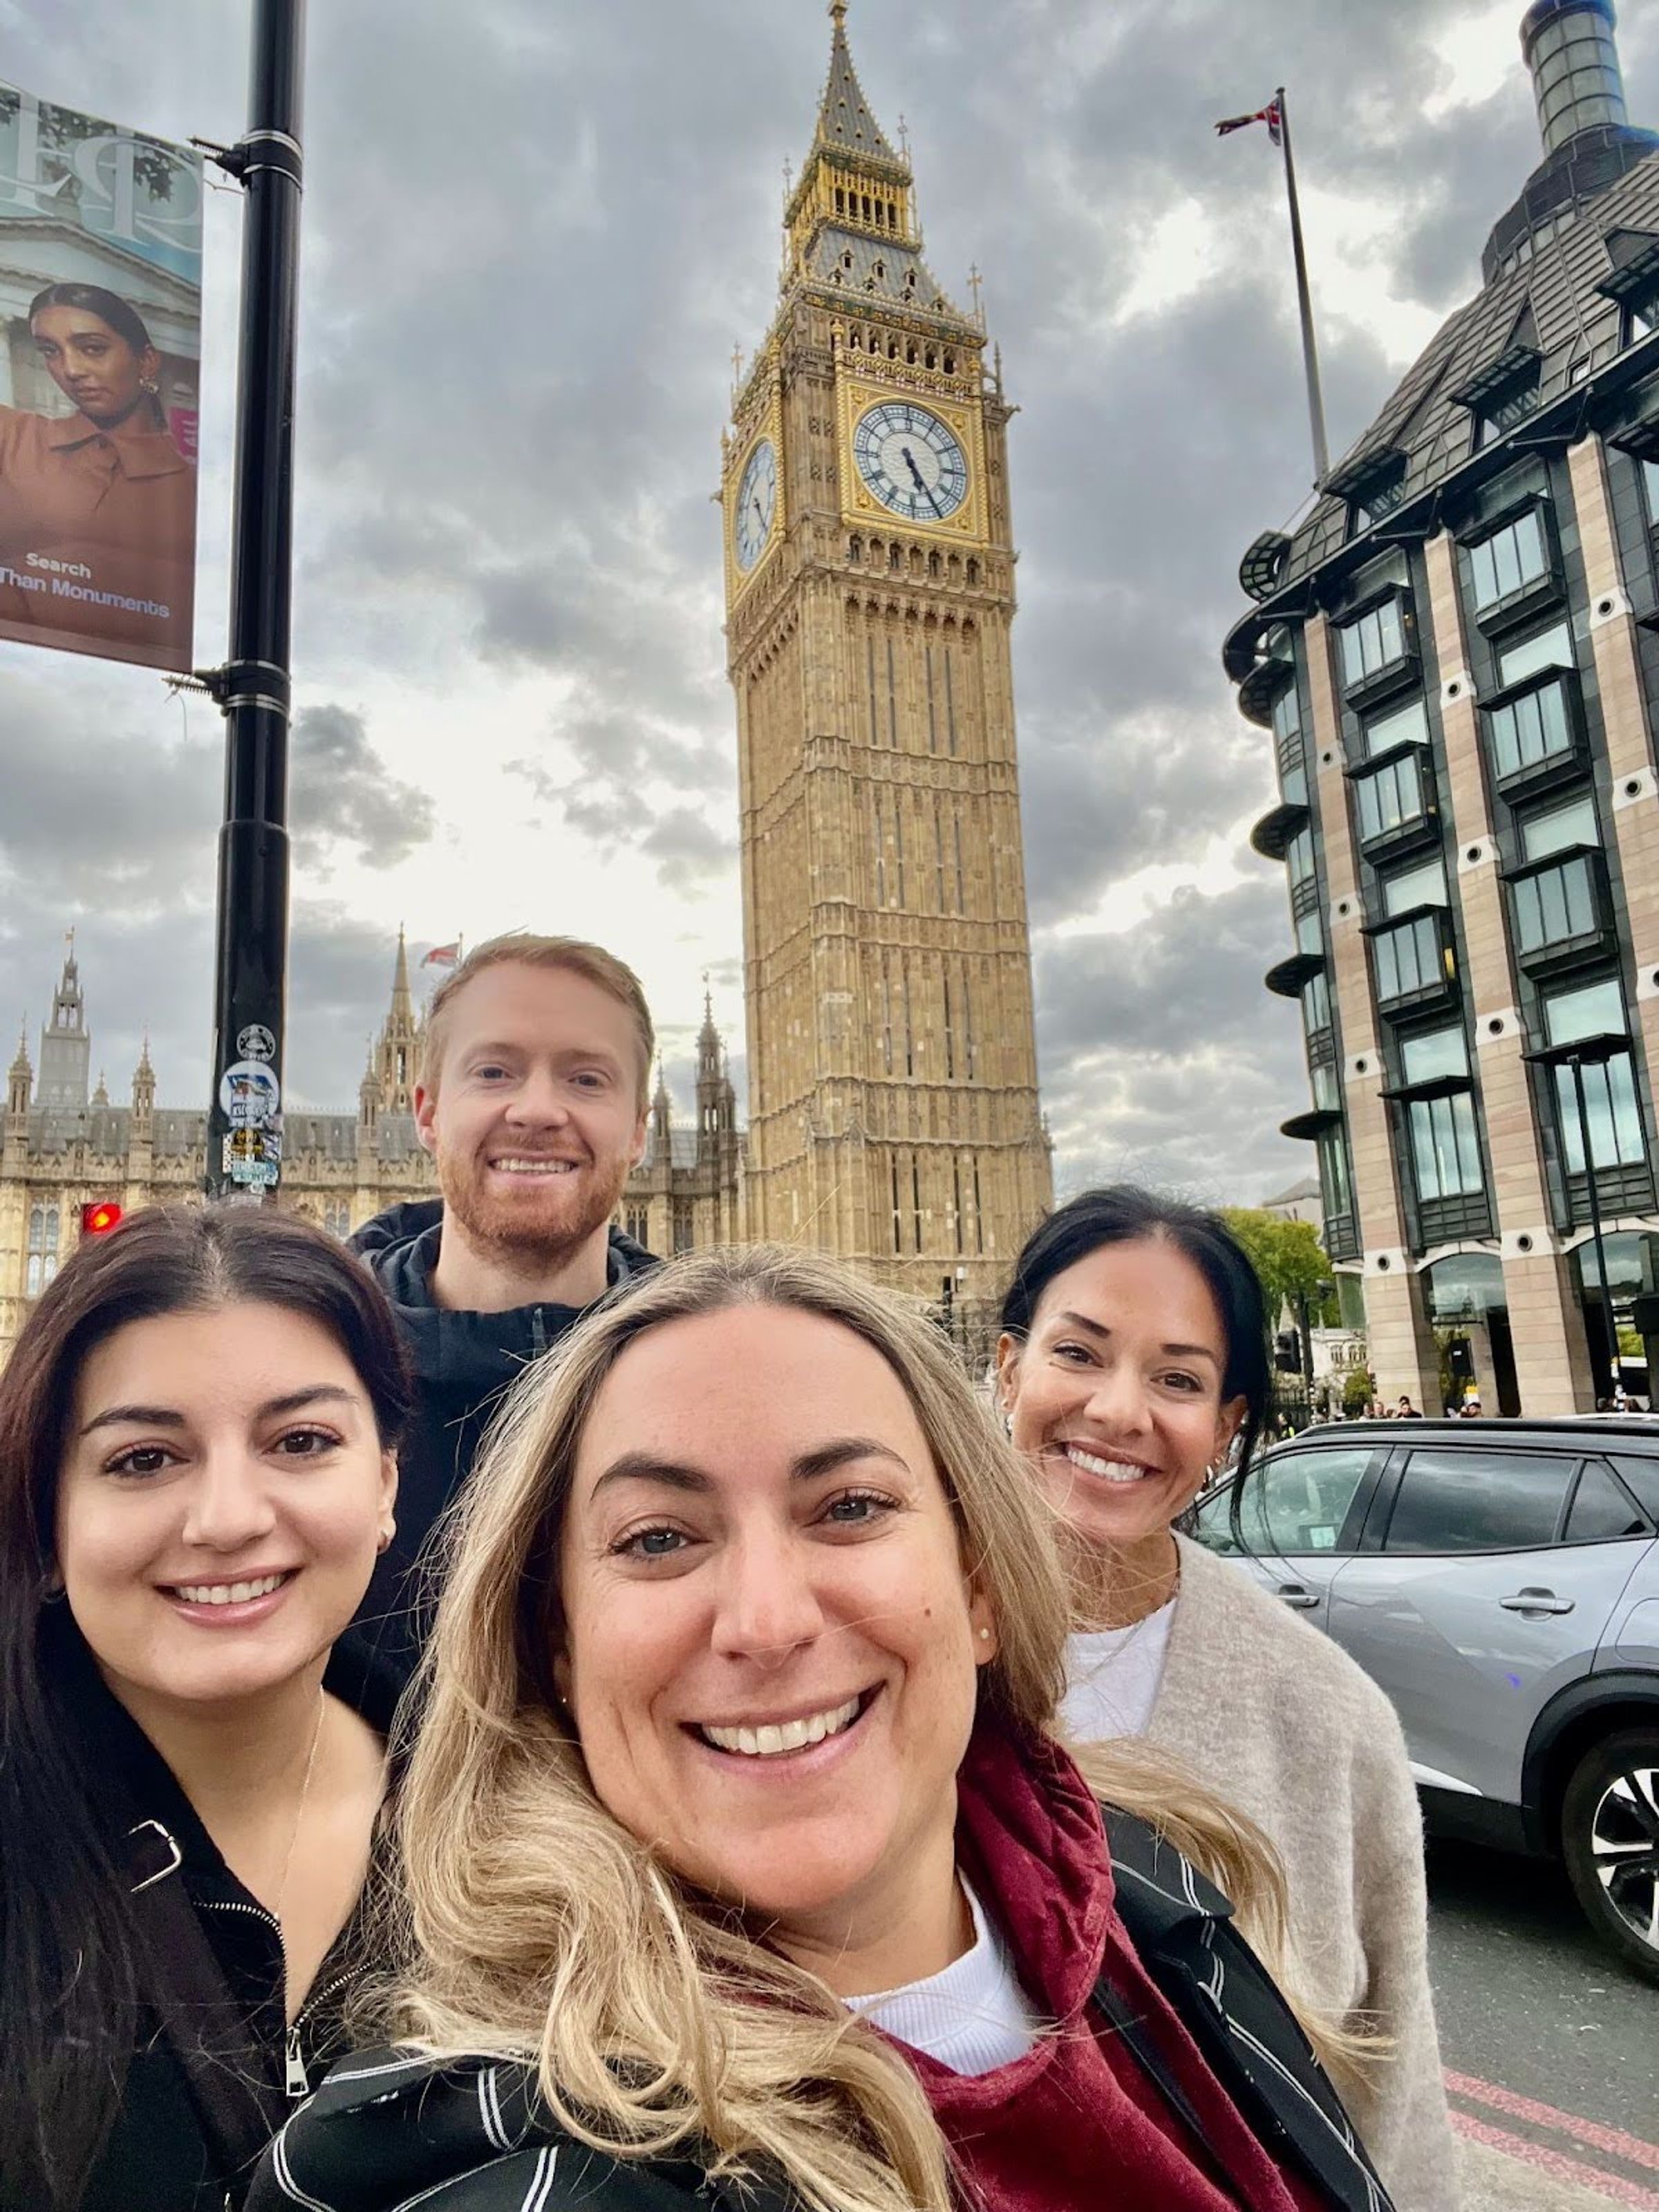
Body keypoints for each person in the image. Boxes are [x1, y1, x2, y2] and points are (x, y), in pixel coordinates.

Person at [256, 1246, 1390, 2212]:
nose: (767, 1621)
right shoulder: (501, 2144)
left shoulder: (1152, 1888)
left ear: (981, 1582)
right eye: (658, 1537)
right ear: (556, 1643)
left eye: (850, 1508)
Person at [994, 1189, 1456, 2212]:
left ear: (1226, 1425)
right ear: (1006, 1366)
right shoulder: (859, 1648)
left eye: (1177, 1378)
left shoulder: (1326, 1715)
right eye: (1078, 1354)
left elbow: (1392, 2081)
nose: (1120, 1411)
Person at [0, 1203, 413, 2211]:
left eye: (302, 1440)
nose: (229, 1519)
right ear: (48, 1521)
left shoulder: (536, 1833)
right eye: (144, 1459)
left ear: (388, 1487)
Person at [345, 932, 658, 1688]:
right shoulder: (310, 1376)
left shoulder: (715, 1374)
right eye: (494, 1070)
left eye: (586, 1077)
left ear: (642, 1129)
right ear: (424, 1111)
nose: (538, 1109)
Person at [0, 283, 196, 664]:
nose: (70, 370)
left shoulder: (191, 493)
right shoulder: (12, 436)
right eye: (50, 352)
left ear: (147, 362)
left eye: (92, 348)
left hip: (114, 697)